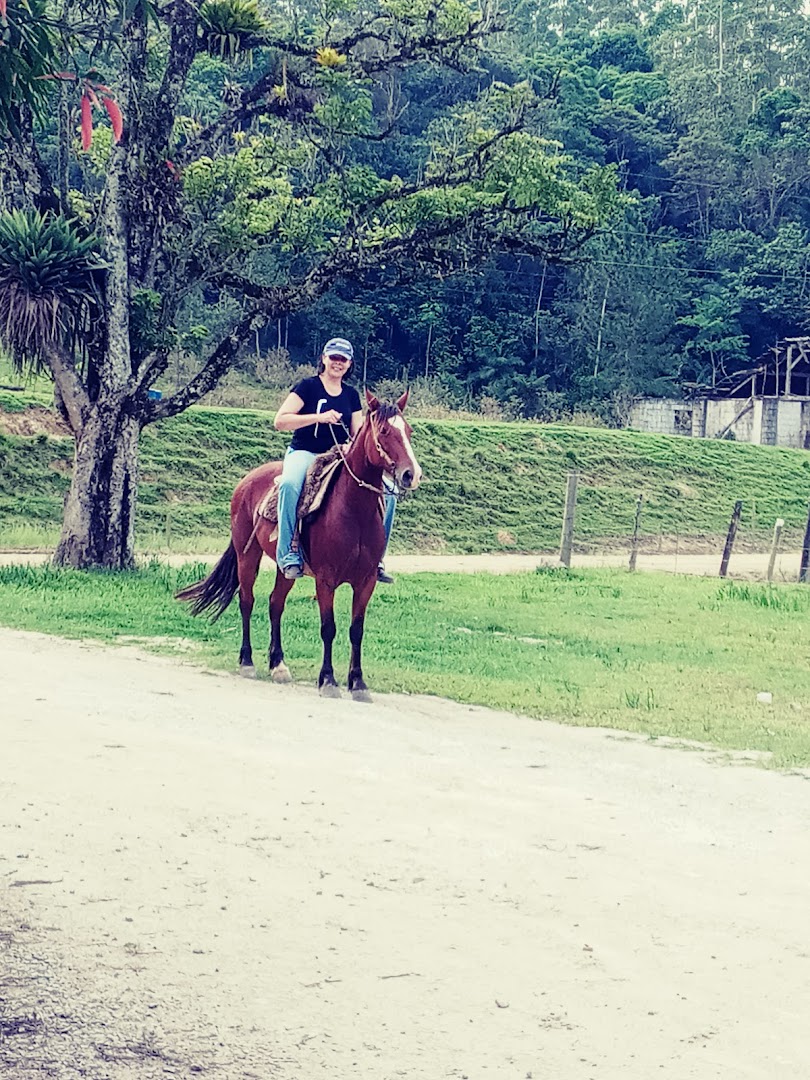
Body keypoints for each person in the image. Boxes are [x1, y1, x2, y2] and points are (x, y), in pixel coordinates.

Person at [273, 337, 396, 583]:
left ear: (349, 364)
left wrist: (356, 444)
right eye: (334, 358)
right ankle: (287, 553)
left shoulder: (350, 395)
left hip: (339, 456)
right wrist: (317, 418)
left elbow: (357, 431)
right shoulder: (307, 387)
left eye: (343, 360)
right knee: (289, 485)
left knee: (390, 492)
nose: (337, 363)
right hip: (305, 452)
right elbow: (280, 421)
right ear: (324, 359)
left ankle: (377, 558)